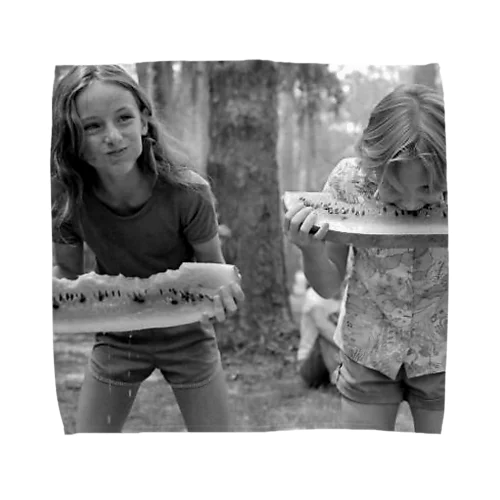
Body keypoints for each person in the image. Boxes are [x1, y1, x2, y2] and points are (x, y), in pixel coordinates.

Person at [51, 65, 245, 433]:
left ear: (144, 121)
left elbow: (213, 273)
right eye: (92, 127)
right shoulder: (66, 198)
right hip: (116, 336)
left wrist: (226, 296)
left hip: (188, 336)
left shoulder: (188, 192)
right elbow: (67, 274)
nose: (112, 136)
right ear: (72, 138)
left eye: (123, 118)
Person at [284, 84, 447, 433]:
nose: (410, 205)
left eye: (426, 191)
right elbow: (327, 286)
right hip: (368, 351)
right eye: (394, 191)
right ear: (371, 161)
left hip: (445, 356)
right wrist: (310, 250)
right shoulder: (348, 181)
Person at [297, 282, 341, 389]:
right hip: (310, 364)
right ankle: (339, 382)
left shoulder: (351, 296)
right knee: (326, 336)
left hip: (339, 357)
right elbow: (322, 326)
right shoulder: (314, 295)